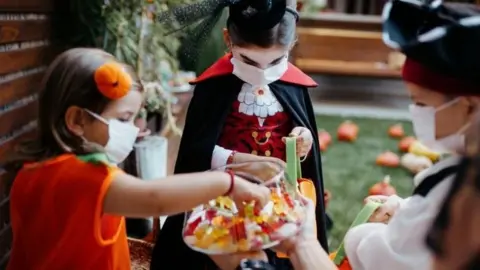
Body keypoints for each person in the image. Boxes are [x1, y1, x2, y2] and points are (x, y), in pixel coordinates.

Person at [4, 48, 272, 270]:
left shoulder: (31, 172)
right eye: (123, 119)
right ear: (76, 120)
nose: (135, 130)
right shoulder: (82, 176)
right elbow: (154, 199)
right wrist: (229, 183)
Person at [152, 0, 329, 269]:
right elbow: (195, 152)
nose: (262, 73)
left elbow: (301, 137)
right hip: (224, 200)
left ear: (291, 45)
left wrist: (303, 138)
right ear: (228, 40)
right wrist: (239, 160)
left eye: (276, 61)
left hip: (277, 200)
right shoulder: (213, 87)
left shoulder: (294, 87)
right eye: (248, 60)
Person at [344, 1, 480, 270]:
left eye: (420, 103)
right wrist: (403, 208)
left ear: (470, 106)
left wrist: (361, 235)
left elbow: (391, 259)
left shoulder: (465, 186)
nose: (415, 113)